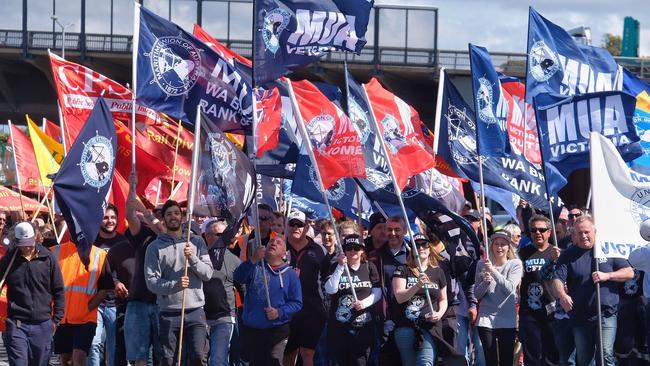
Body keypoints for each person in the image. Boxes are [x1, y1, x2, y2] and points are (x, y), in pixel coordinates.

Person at [552, 216, 634, 366]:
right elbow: (557, 279)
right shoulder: (568, 255)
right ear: (574, 235)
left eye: (587, 232)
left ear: (595, 232)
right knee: (585, 358)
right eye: (579, 233)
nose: (583, 236)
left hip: (606, 313)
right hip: (580, 315)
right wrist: (562, 295)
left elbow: (629, 272)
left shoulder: (607, 249)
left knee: (606, 354)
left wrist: (608, 275)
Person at [144, 200, 214, 366]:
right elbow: (152, 282)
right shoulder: (154, 248)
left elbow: (208, 274)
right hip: (168, 313)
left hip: (196, 311)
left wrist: (193, 259)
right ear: (163, 219)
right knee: (168, 360)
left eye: (176, 213)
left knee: (198, 356)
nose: (173, 217)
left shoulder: (196, 242)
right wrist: (175, 285)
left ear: (182, 217)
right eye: (169, 214)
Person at [0, 222, 65, 366]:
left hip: (43, 324)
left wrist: (57, 319)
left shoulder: (48, 258)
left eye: (29, 242)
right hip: (17, 324)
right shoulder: (9, 260)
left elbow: (58, 289)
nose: (27, 247)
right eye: (22, 244)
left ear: (35, 237)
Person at [234, 237, 302, 365]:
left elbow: (297, 303)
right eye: (271, 242)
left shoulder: (291, 275)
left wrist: (279, 312)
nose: (273, 243)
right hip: (252, 329)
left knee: (273, 360)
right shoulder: (255, 267)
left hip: (277, 330)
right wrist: (253, 259)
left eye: (279, 243)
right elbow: (238, 277)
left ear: (284, 253)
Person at [52, 234, 114, 365]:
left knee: (79, 355)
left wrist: (87, 308)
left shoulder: (99, 254)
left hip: (86, 318)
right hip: (62, 317)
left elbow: (105, 288)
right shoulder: (55, 251)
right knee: (66, 359)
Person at [123, 175, 165, 366]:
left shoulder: (176, 238)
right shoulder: (144, 235)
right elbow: (130, 214)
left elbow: (165, 234)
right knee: (139, 356)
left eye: (161, 214)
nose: (157, 216)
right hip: (139, 301)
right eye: (156, 213)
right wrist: (132, 188)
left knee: (164, 355)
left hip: (164, 303)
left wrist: (146, 213)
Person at [391, 233, 447, 365]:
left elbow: (443, 299)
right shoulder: (402, 270)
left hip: (430, 326)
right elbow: (399, 297)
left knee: (425, 362)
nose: (421, 248)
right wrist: (417, 286)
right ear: (412, 250)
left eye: (424, 244)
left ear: (429, 248)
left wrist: (439, 314)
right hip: (406, 326)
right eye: (417, 245)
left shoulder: (438, 272)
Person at [324, 234, 381, 365]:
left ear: (362, 250)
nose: (353, 251)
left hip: (362, 326)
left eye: (356, 248)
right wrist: (339, 267)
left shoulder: (369, 266)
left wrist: (365, 303)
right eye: (349, 248)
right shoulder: (335, 267)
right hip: (339, 327)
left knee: (360, 362)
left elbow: (377, 291)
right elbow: (330, 289)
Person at [284, 210, 330, 366]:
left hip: (312, 309)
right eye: (292, 224)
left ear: (306, 227)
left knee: (308, 352)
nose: (295, 227)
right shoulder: (278, 246)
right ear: (287, 225)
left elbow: (326, 278)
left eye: (300, 224)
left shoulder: (319, 250)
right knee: (289, 353)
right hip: (285, 309)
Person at [89, 203, 129, 366]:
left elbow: (127, 269)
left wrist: (120, 283)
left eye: (113, 217)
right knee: (94, 344)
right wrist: (114, 281)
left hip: (116, 304)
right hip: (96, 300)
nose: (110, 221)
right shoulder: (91, 241)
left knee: (113, 348)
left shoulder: (123, 241)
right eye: (106, 217)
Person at [474, 231, 523, 366]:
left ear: (509, 247)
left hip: (507, 319)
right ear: (491, 246)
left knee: (506, 360)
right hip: (485, 318)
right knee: (490, 361)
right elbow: (477, 295)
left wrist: (494, 271)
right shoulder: (481, 264)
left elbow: (509, 288)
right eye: (496, 244)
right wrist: (485, 282)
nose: (499, 247)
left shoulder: (515, 264)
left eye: (503, 244)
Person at [518, 215, 559, 366]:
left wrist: (558, 261)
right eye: (533, 230)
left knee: (553, 355)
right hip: (529, 312)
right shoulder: (522, 254)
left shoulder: (558, 253)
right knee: (532, 357)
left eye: (542, 230)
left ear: (549, 232)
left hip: (553, 312)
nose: (538, 233)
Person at [203, 218, 242, 366]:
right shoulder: (197, 257)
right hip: (200, 317)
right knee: (199, 359)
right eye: (218, 235)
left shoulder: (234, 260)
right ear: (207, 235)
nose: (222, 238)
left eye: (224, 235)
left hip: (224, 317)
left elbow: (243, 288)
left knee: (218, 360)